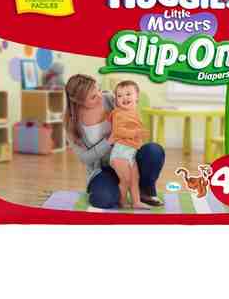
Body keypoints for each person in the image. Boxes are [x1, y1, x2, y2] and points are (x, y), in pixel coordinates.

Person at [63, 74, 165, 209]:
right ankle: (115, 188)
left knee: (154, 151)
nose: (100, 96)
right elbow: (85, 158)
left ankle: (144, 190)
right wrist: (109, 140)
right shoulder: (71, 123)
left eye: (99, 90)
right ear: (79, 101)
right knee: (103, 199)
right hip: (104, 169)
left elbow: (130, 116)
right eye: (93, 97)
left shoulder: (110, 99)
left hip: (129, 156)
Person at [107, 80, 151, 209]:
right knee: (125, 179)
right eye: (119, 96)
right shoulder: (118, 113)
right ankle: (121, 201)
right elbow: (118, 131)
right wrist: (136, 133)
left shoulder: (135, 113)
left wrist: (140, 136)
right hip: (120, 152)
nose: (124, 98)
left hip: (131, 152)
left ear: (137, 97)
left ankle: (136, 202)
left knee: (134, 179)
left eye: (128, 94)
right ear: (116, 100)